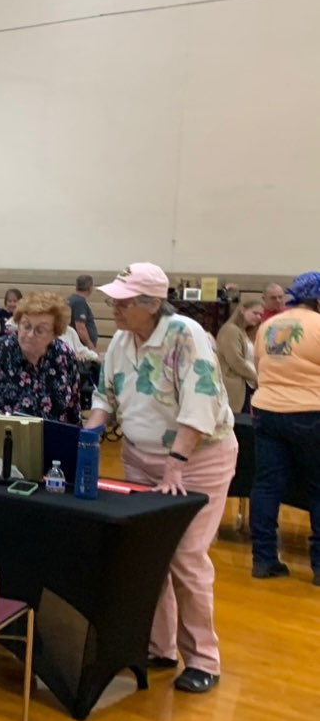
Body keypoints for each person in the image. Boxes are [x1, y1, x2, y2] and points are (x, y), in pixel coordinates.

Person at [85, 262, 237, 694]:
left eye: (123, 301)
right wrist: (88, 436)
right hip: (141, 458)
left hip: (197, 461)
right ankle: (161, 647)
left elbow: (202, 401)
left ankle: (204, 658)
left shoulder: (184, 334)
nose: (114, 306)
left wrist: (175, 462)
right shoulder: (120, 340)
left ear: (152, 304)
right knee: (150, 554)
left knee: (185, 557)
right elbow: (105, 394)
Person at [249, 273, 320, 582]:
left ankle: (264, 559)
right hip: (311, 412)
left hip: (267, 411)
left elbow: (258, 365)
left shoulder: (268, 326)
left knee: (266, 486)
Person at [0, 292, 80, 424]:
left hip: (53, 440)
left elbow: (73, 410)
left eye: (40, 330)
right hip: (4, 440)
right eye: (26, 326)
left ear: (55, 334)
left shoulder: (64, 356)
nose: (29, 335)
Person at [216, 298, 263, 414]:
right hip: (236, 387)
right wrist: (256, 377)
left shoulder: (245, 332)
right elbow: (235, 361)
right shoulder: (230, 330)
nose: (258, 317)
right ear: (242, 310)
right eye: (255, 313)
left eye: (261, 315)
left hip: (248, 386)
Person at [68, 274, 98, 349]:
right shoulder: (79, 303)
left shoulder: (71, 299)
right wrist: (90, 346)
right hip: (81, 348)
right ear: (90, 288)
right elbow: (80, 328)